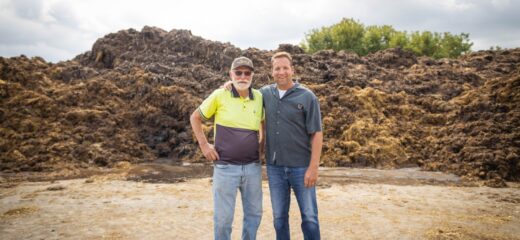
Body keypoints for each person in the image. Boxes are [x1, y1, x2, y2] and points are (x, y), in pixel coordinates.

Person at [223, 52, 323, 240]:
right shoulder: (265, 94)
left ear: (292, 70)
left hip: (302, 167)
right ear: (272, 71)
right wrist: (231, 86)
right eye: (277, 68)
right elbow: (245, 92)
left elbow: (317, 133)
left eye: (285, 68)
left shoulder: (307, 97)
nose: (281, 72)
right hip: (275, 168)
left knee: (309, 218)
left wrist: (313, 167)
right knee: (279, 219)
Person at [190, 56, 264, 240]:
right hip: (225, 168)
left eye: (247, 73)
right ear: (231, 74)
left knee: (254, 215)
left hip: (253, 168)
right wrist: (204, 145)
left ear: (252, 75)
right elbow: (195, 117)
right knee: (223, 220)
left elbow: (263, 123)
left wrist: (261, 148)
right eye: (238, 72)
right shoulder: (220, 94)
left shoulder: (260, 97)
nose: (242, 76)